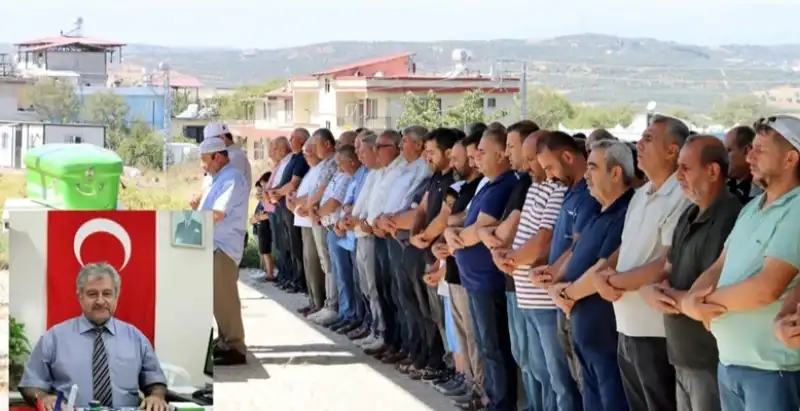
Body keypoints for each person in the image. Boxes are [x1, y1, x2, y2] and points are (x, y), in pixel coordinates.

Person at [684, 114, 800, 411]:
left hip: (773, 368)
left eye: (760, 149)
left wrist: (705, 302)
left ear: (790, 159)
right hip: (731, 362)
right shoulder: (752, 208)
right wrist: (692, 303)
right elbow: (719, 266)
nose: (750, 156)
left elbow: (767, 288)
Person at [596, 114, 690, 411]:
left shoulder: (682, 194)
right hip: (626, 323)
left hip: (655, 330)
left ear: (672, 150)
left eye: (649, 139)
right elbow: (626, 248)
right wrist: (601, 272)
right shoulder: (640, 194)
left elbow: (667, 260)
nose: (639, 144)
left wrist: (611, 282)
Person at [639, 135, 740, 411]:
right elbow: (667, 269)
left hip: (709, 359)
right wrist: (650, 289)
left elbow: (712, 294)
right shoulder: (688, 214)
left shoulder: (731, 218)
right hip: (681, 355)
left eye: (685, 167)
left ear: (713, 170)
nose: (678, 175)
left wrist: (670, 296)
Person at [549, 139, 635, 411]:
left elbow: (602, 269)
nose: (586, 175)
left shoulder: (626, 213)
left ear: (616, 172)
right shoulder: (599, 212)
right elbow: (575, 256)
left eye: (593, 167)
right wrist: (555, 288)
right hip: (584, 331)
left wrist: (567, 293)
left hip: (606, 334)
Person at [20, 263, 168, 411]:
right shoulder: (53, 338)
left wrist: (156, 396)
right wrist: (43, 398)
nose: (100, 301)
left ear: (116, 296)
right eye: (92, 294)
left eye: (107, 294)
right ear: (80, 296)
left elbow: (154, 380)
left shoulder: (136, 338)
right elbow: (31, 384)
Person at [446, 127, 519, 411]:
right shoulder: (487, 184)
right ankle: (492, 397)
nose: (477, 157)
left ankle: (501, 403)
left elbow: (481, 228)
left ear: (502, 154)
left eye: (483, 152)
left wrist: (457, 240)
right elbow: (462, 219)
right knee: (485, 344)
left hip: (489, 280)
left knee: (494, 346)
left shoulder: (504, 184)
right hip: (474, 279)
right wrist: (455, 235)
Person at [431, 131, 487, 408]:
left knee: (475, 337)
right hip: (454, 267)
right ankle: (468, 381)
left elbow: (460, 222)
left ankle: (479, 388)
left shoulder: (481, 188)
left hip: (469, 272)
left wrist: (451, 228)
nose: (454, 164)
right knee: (463, 333)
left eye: (459, 158)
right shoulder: (463, 188)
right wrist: (441, 245)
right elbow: (449, 223)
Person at [194, 137, 249, 366]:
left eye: (205, 160)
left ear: (218, 157)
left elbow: (217, 214)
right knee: (217, 298)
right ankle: (225, 340)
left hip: (223, 247)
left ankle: (235, 346)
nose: (203, 166)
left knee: (225, 298)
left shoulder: (232, 178)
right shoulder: (218, 179)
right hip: (213, 245)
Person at [267, 128, 310, 294]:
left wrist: (276, 193)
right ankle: (290, 277)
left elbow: (293, 184)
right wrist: (273, 192)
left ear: (300, 140)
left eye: (292, 138)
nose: (290, 141)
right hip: (281, 207)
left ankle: (299, 280)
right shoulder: (293, 158)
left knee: (296, 247)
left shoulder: (300, 159)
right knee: (286, 245)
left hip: (291, 208)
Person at [289, 139, 326, 314]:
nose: (305, 156)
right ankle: (313, 301)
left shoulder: (321, 170)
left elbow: (315, 194)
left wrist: (299, 202)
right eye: (304, 153)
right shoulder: (312, 170)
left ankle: (319, 303)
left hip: (312, 221)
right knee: (307, 263)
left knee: (314, 263)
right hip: (303, 220)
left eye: (308, 152)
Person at [722, 125, 762, 204]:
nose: (724, 157)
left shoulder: (762, 186)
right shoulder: (723, 183)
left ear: (747, 151)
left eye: (728, 151)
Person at [254, 172, 275, 281]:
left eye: (264, 186)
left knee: (266, 251)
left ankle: (270, 273)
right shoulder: (262, 200)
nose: (262, 190)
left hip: (267, 227)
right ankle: (267, 271)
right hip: (261, 227)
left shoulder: (270, 197)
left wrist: (257, 218)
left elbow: (270, 211)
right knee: (263, 251)